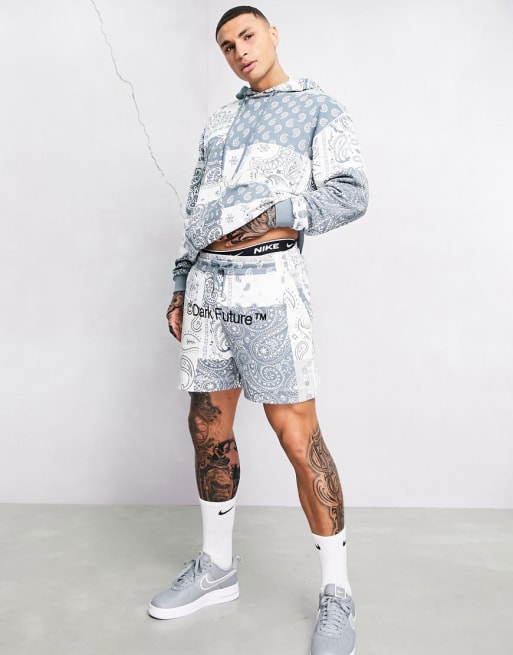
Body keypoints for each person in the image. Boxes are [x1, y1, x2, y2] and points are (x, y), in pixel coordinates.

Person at [148, 6, 368, 655]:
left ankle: (337, 591)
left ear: (272, 34)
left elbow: (351, 192)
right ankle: (217, 567)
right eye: (226, 45)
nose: (239, 50)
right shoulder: (219, 122)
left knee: (298, 436)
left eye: (247, 35)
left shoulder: (318, 108)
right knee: (206, 427)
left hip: (271, 284)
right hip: (208, 289)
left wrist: (279, 212)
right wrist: (181, 281)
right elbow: (196, 206)